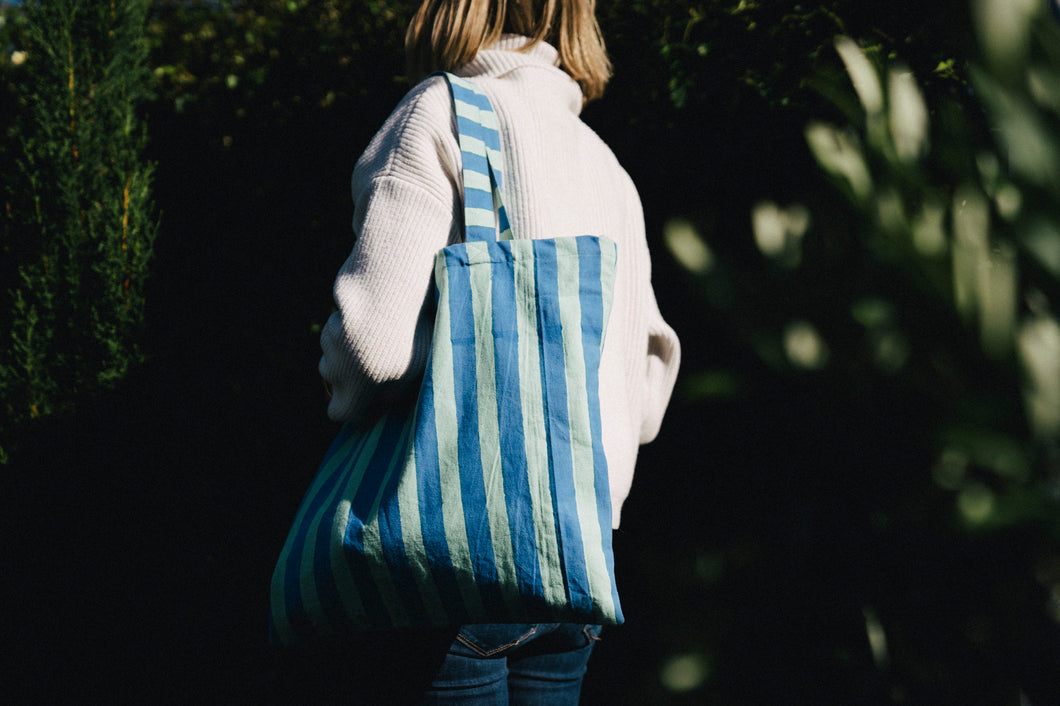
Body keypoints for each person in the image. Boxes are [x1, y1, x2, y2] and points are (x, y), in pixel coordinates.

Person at [313, 0, 680, 702]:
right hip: (576, 559)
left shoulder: (438, 114)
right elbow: (645, 390)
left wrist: (332, 362)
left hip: (454, 557)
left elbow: (373, 349)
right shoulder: (605, 163)